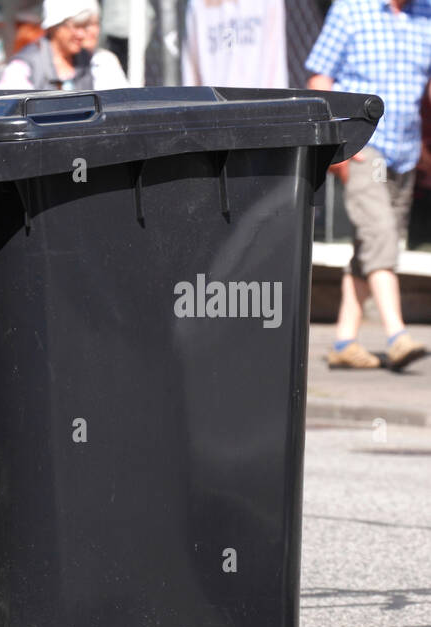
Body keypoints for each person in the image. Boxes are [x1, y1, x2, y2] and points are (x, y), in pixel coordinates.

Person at [307, 0, 430, 370]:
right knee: (381, 234)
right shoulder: (350, 10)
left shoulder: (426, 14)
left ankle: (345, 339)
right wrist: (336, 146)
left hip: (405, 151)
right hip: (363, 148)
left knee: (370, 243)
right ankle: (397, 335)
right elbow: (319, 79)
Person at [182, 0, 287, 88]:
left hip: (261, 104)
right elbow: (192, 68)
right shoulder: (197, 4)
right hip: (214, 106)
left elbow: (274, 59)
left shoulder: (268, 3)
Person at [0, 0, 95, 91]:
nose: (82, 35)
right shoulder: (24, 66)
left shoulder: (87, 59)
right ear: (55, 26)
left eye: (84, 27)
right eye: (76, 27)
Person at [83, 6, 129, 89]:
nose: (93, 31)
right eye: (85, 25)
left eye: (95, 24)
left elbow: (124, 97)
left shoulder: (106, 59)